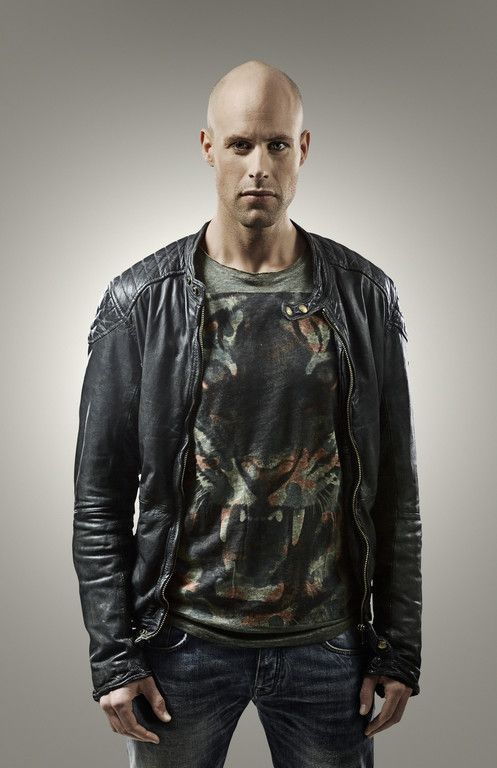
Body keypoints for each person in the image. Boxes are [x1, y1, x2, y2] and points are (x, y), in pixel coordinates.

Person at [72, 59, 422, 768]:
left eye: (276, 144)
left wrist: (397, 648)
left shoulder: (364, 297)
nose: (258, 165)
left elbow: (395, 493)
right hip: (180, 647)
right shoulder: (140, 303)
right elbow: (99, 498)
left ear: (302, 149)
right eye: (239, 144)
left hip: (330, 648)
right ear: (208, 148)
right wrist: (113, 658)